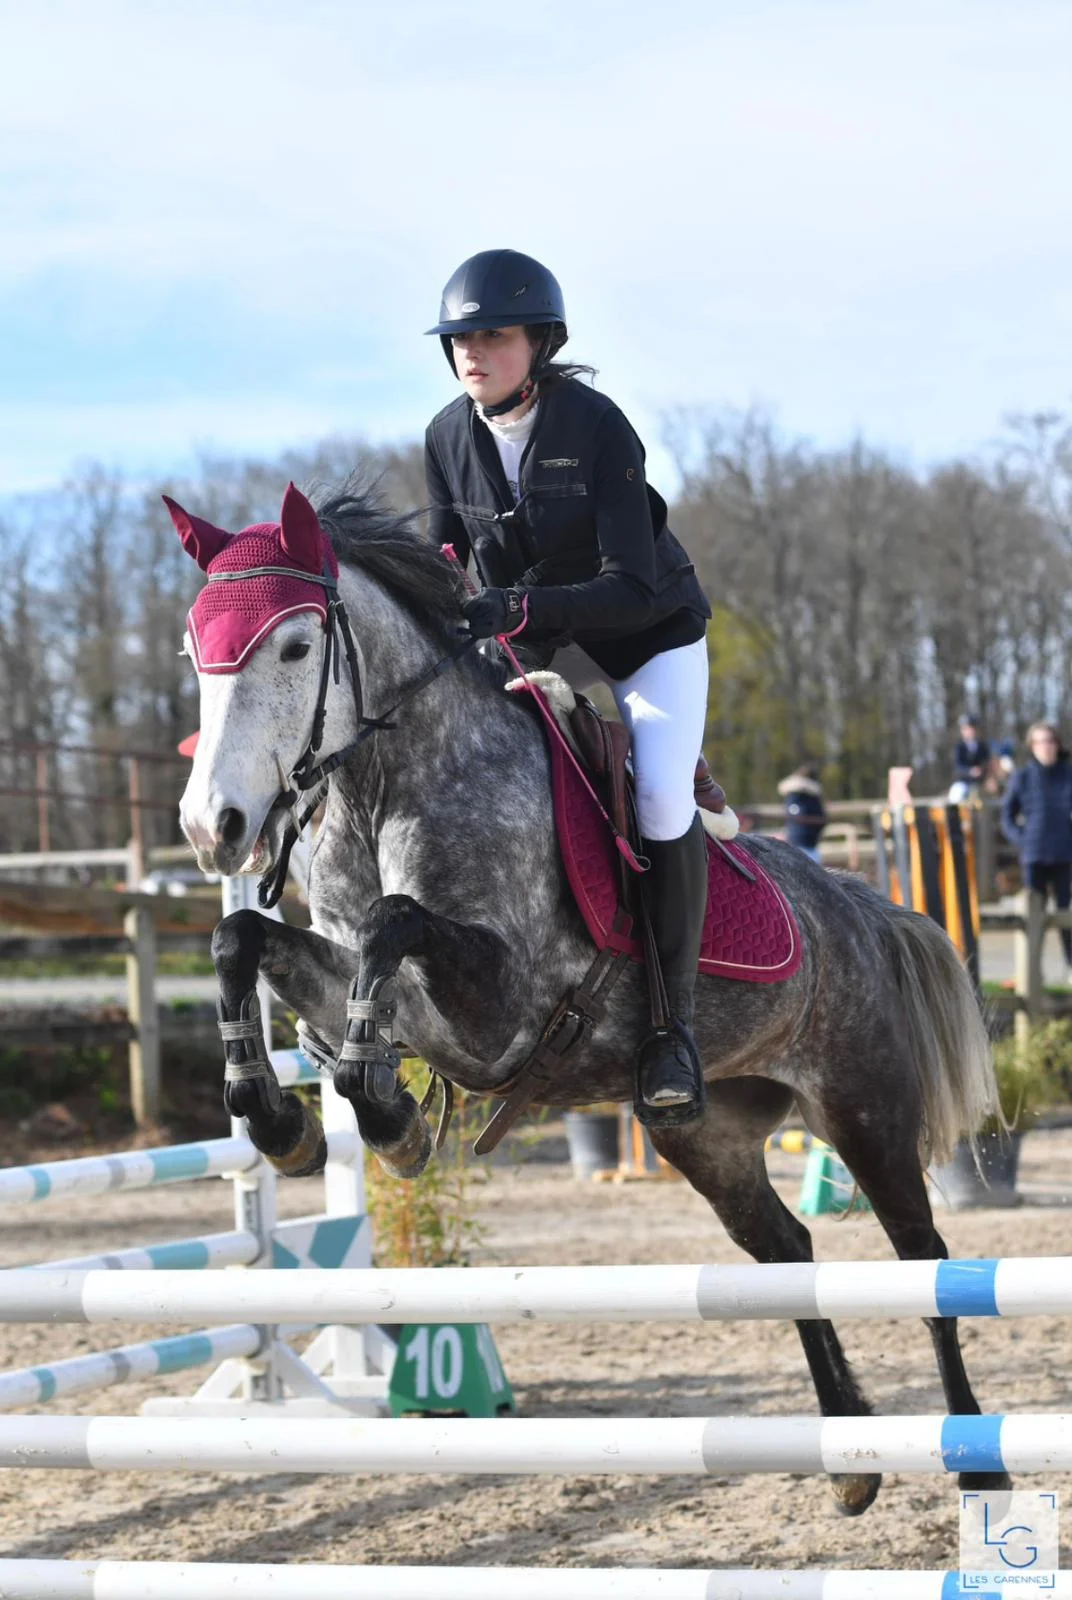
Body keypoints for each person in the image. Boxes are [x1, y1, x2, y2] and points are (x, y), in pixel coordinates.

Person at [424, 249, 712, 1126]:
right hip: (531, 638)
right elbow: (445, 570)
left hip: (644, 636)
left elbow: (628, 585)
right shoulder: (445, 437)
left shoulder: (595, 425)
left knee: (660, 797)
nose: (474, 352)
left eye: (494, 335)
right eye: (460, 339)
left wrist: (519, 604)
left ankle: (673, 1028)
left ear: (539, 343)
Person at [1001, 721, 1072, 982]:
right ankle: (1032, 970)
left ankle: (1070, 966)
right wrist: (1023, 839)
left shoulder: (1067, 774)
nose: (1047, 747)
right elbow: (1007, 816)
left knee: (1065, 912)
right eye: (1041, 742)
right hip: (1034, 855)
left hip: (1064, 854)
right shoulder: (1023, 777)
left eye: (1051, 741)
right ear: (1033, 747)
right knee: (1034, 914)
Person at [777, 763, 827, 863]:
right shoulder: (795, 797)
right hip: (799, 846)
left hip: (811, 846)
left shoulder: (813, 799)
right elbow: (798, 817)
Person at [949, 714, 991, 805]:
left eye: (971, 728)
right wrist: (970, 772)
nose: (970, 731)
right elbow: (958, 767)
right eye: (966, 729)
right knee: (956, 796)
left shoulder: (983, 746)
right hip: (963, 783)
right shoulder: (959, 747)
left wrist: (982, 771)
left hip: (980, 783)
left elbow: (987, 764)